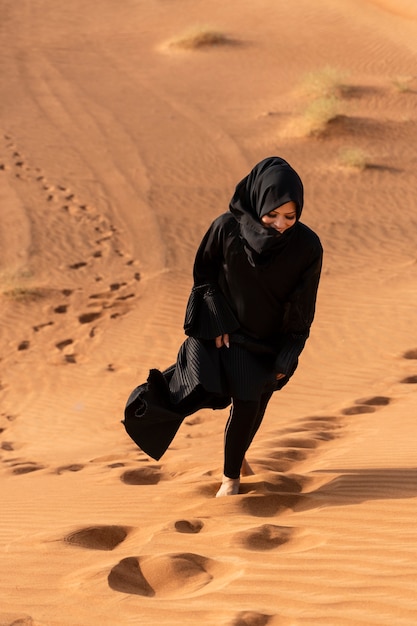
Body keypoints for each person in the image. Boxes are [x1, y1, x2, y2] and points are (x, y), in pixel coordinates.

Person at [123, 156, 323, 497]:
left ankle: (236, 462)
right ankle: (231, 479)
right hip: (225, 334)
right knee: (223, 397)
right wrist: (215, 322)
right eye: (272, 214)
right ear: (257, 200)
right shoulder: (226, 228)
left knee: (256, 401)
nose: (280, 224)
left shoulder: (307, 246)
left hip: (270, 340)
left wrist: (286, 357)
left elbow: (303, 309)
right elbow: (204, 277)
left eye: (290, 216)